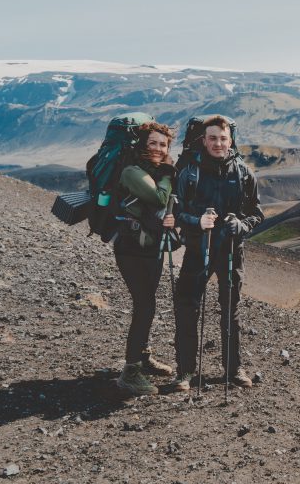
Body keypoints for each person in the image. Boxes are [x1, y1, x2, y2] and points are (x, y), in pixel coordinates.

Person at [173, 115, 264, 391]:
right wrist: (196, 222)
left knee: (230, 311)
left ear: (231, 140)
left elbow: (256, 213)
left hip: (231, 252)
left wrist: (242, 224)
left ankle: (233, 369)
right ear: (203, 140)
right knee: (188, 309)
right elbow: (175, 212)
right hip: (197, 250)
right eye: (212, 138)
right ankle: (185, 372)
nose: (218, 143)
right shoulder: (189, 172)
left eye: (223, 138)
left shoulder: (244, 173)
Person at [113, 121, 178, 396]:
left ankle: (143, 356)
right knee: (145, 306)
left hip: (152, 248)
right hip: (131, 250)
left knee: (147, 305)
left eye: (163, 145)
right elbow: (159, 196)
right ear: (142, 144)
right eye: (153, 143)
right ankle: (130, 372)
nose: (158, 149)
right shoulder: (132, 172)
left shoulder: (154, 170)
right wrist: (166, 174)